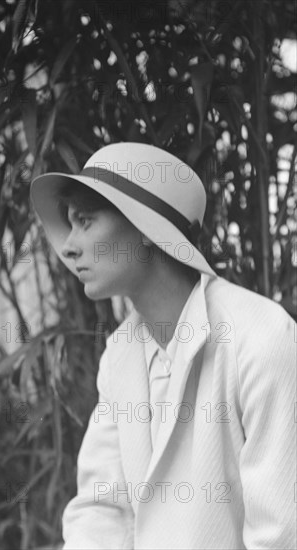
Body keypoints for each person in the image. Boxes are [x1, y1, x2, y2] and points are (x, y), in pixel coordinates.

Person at [30, 143, 296, 549]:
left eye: (84, 221)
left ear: (146, 230)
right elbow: (102, 510)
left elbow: (281, 534)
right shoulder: (120, 354)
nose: (68, 246)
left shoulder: (260, 338)